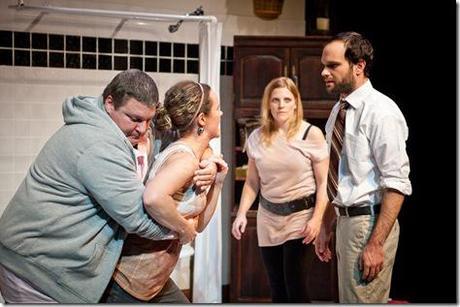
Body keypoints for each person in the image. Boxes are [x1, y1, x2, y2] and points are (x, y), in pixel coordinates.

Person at [0, 69, 217, 303]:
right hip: (35, 270)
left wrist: (209, 159)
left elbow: (189, 138)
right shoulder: (97, 144)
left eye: (147, 120)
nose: (143, 129)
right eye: (134, 119)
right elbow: (138, 219)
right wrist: (185, 230)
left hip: (54, 262)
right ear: (110, 102)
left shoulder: (120, 128)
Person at [101, 80, 228, 303]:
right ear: (202, 119)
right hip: (127, 284)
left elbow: (198, 225)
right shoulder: (185, 160)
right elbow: (153, 197)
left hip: (154, 284)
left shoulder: (195, 156)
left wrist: (218, 182)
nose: (221, 112)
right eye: (217, 108)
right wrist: (183, 230)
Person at [314, 32, 412, 303]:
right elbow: (341, 176)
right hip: (346, 222)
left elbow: (397, 183)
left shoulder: (381, 111)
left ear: (359, 66)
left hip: (368, 224)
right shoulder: (339, 109)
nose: (324, 72)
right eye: (323, 65)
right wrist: (326, 225)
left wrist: (376, 243)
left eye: (332, 65)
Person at [231, 77, 329, 303]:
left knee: (295, 285)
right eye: (275, 100)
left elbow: (324, 183)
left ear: (296, 103)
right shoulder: (257, 137)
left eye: (287, 99)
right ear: (268, 104)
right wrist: (242, 213)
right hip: (269, 219)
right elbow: (252, 182)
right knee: (276, 287)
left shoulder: (310, 134)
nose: (281, 105)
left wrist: (317, 220)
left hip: (301, 219)